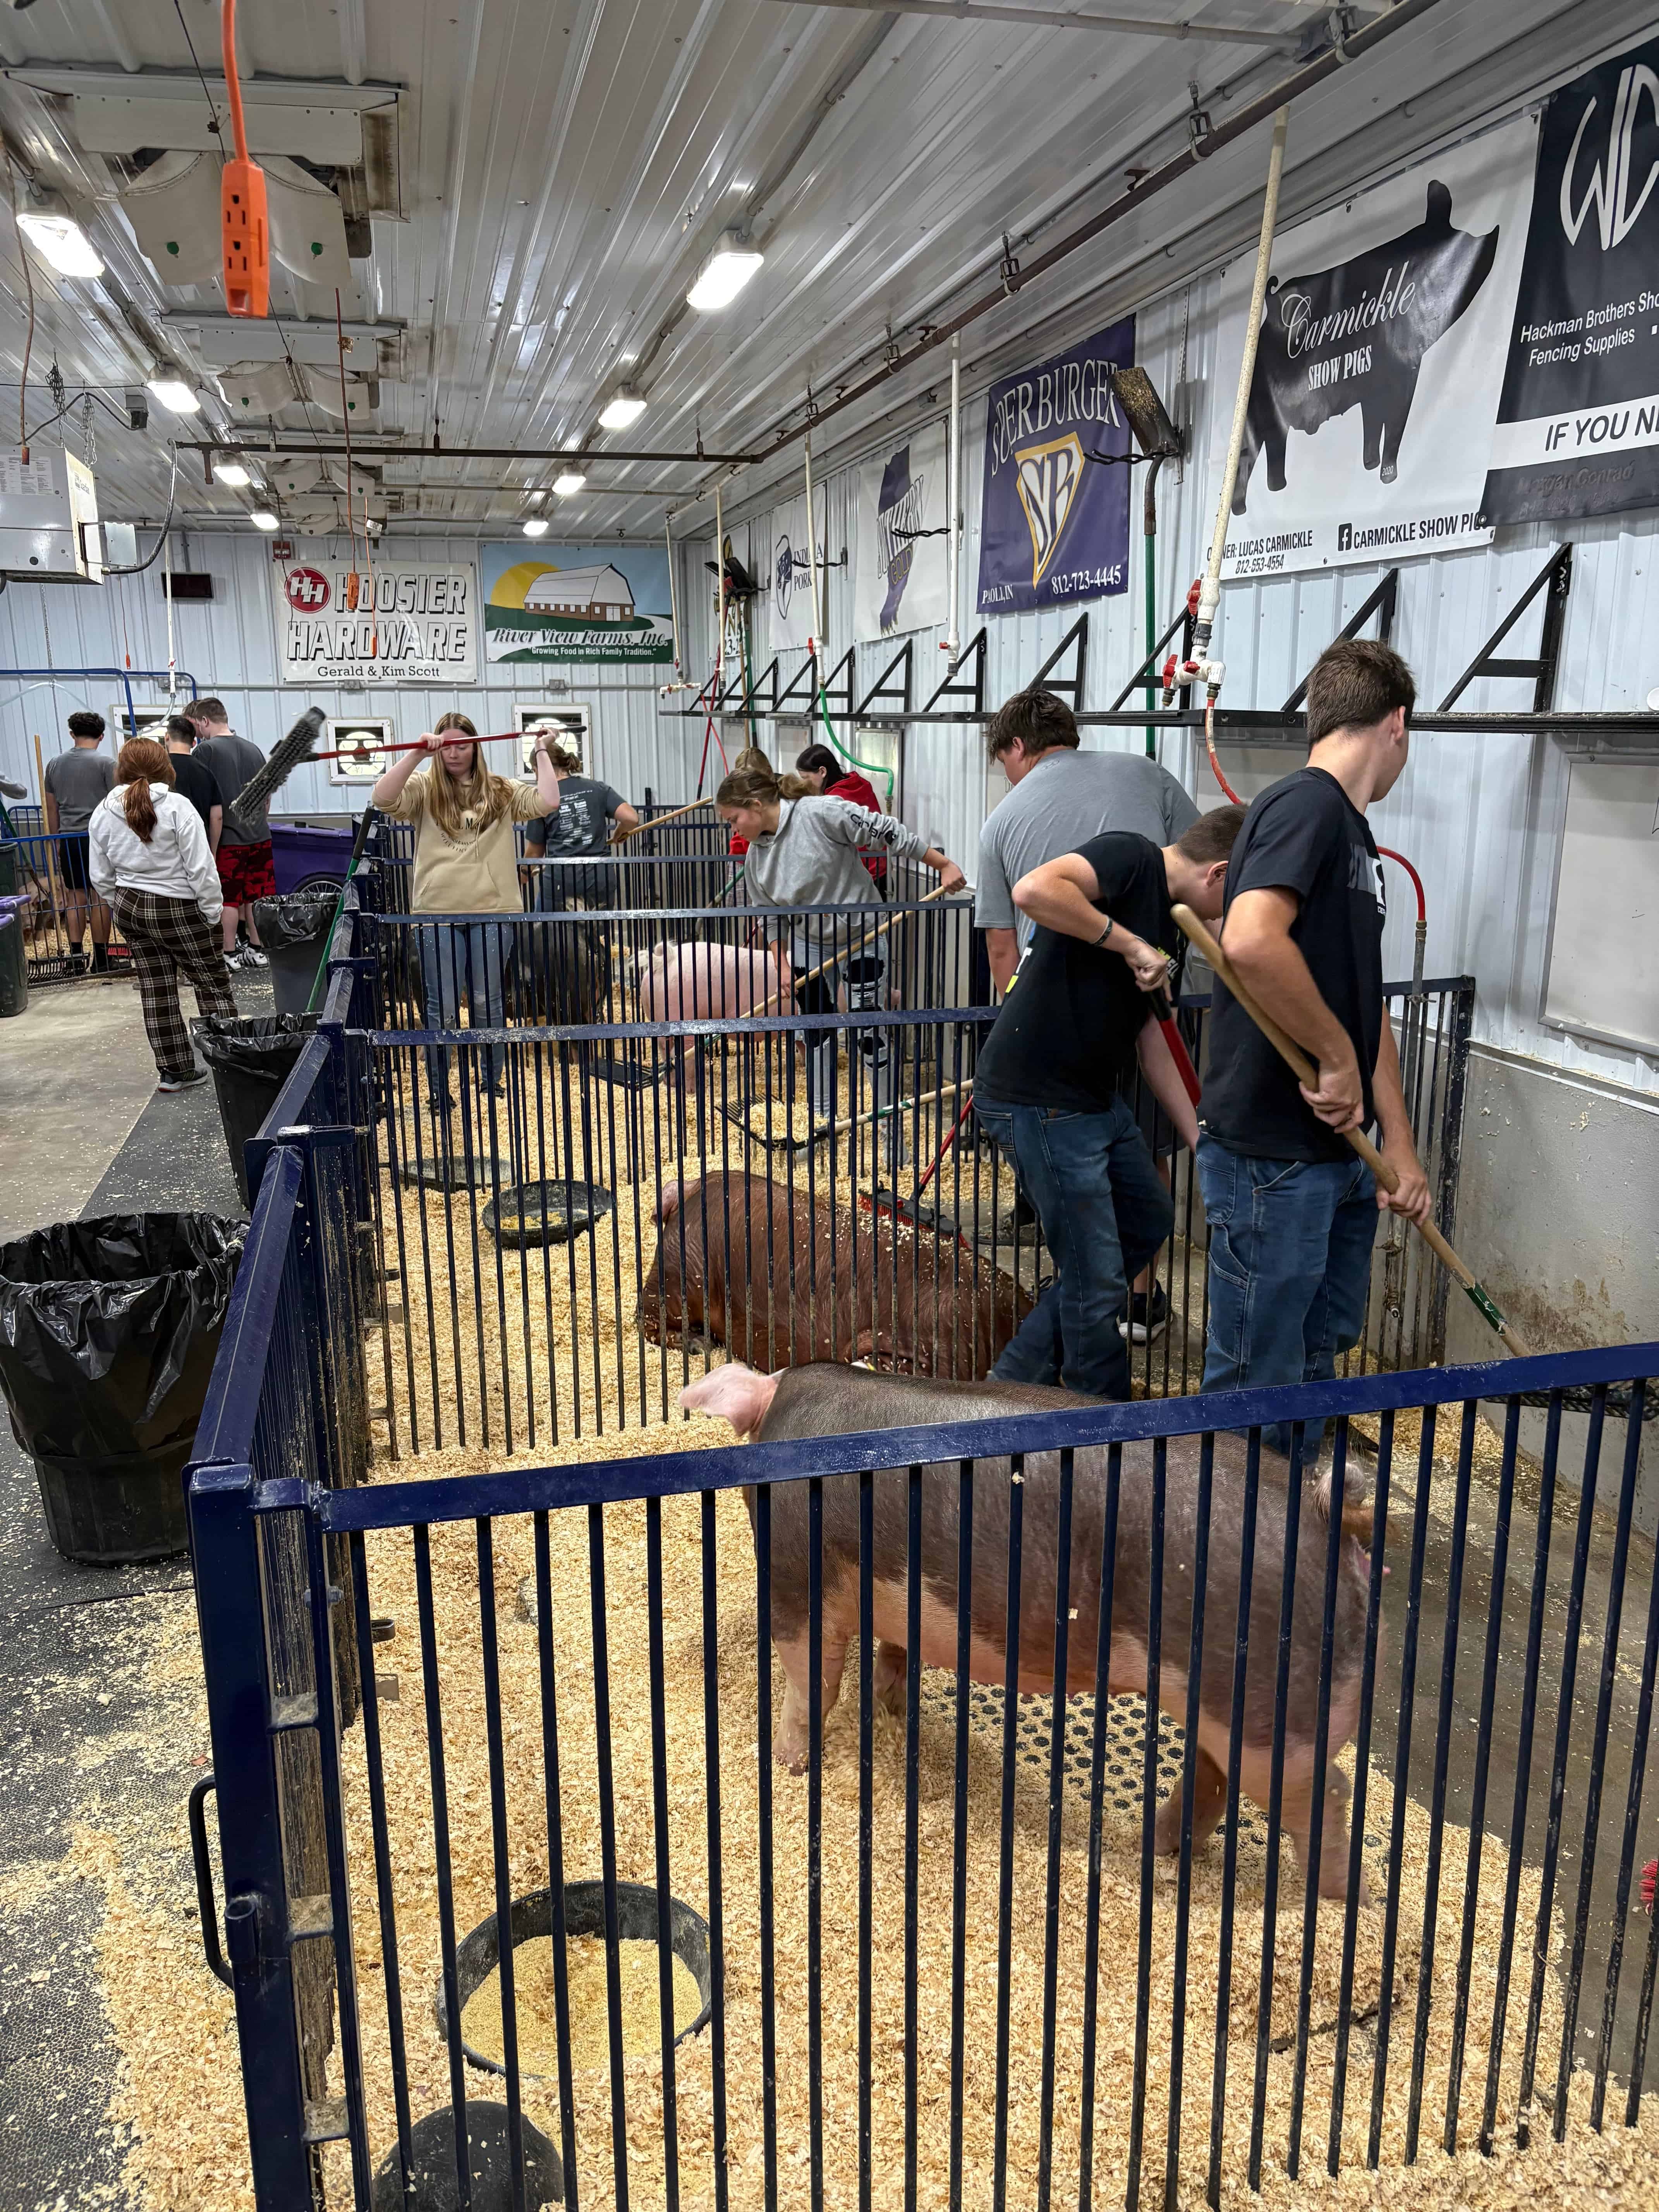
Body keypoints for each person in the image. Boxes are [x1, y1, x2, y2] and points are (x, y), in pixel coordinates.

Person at [1196, 639, 1432, 1458]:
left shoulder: (1356, 839)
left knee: (1320, 1348)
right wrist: (1333, 1058)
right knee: (1258, 1370)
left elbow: (1365, 1013)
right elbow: (1254, 940)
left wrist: (1398, 1143)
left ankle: (1292, 1529)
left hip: (1338, 1155)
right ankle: (1225, 1558)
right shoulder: (1308, 805)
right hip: (1275, 1153)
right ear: (1396, 723)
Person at [972, 807, 1245, 1401]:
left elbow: (1153, 1042)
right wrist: (1128, 943)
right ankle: (1101, 1419)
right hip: (1038, 1096)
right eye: (1236, 896)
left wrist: (1202, 1138)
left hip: (1093, 1098)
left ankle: (1013, 1382)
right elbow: (1034, 889)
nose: (1228, 916)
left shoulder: (1171, 925)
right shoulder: (1132, 855)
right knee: (1096, 1282)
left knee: (1147, 1218)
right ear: (1218, 874)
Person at [977, 686, 1202, 1338]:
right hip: (1149, 992)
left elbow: (999, 943)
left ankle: (1082, 1293)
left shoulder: (1003, 817)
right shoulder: (1144, 773)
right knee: (1144, 1138)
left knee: (1067, 1160)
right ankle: (1136, 1293)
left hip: (1057, 1024)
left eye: (1003, 761)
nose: (1008, 774)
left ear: (1017, 747)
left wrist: (1017, 1027)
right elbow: (1197, 860)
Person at [716, 761, 965, 1125]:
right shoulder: (756, 857)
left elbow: (885, 830)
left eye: (733, 818)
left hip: (860, 936)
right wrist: (781, 963)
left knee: (869, 1035)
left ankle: (887, 1129)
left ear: (755, 804)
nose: (733, 828)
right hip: (808, 944)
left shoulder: (822, 812)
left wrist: (941, 863)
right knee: (817, 1036)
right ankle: (821, 1126)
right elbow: (768, 912)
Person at [371, 711, 560, 1104]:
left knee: (486, 1001)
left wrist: (541, 750)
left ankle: (491, 1082)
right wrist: (415, 755)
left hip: (493, 911)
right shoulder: (424, 788)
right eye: (447, 746)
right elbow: (383, 798)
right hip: (436, 914)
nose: (454, 753)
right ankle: (440, 1092)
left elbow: (547, 800)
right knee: (441, 1006)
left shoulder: (500, 789)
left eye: (462, 745)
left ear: (476, 746)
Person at [87, 737, 237, 1092]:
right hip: (179, 906)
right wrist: (212, 912)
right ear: (164, 768)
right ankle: (234, 1062)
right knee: (211, 982)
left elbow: (100, 875)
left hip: (130, 906)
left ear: (120, 771)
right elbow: (201, 869)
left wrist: (118, 903)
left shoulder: (103, 811)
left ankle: (175, 1072)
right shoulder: (177, 807)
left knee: (156, 991)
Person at [187, 697, 272, 970]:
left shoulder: (206, 752)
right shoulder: (254, 750)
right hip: (260, 836)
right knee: (257, 895)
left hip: (227, 839)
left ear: (204, 721)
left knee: (229, 898)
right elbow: (267, 796)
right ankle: (258, 951)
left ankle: (229, 953)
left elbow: (205, 801)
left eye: (197, 726)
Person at [520, 744, 639, 908]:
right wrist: (620, 831)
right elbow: (632, 818)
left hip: (561, 879)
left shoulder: (543, 798)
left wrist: (524, 874)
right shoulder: (598, 788)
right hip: (598, 876)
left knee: (552, 932)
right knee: (597, 932)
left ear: (539, 768)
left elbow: (534, 853)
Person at [42, 710, 115, 974]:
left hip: (69, 838)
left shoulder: (54, 764)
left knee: (75, 898)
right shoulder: (108, 764)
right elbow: (116, 805)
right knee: (100, 898)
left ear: (72, 734)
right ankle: (102, 960)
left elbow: (51, 808)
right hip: (99, 840)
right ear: (101, 736)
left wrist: (55, 839)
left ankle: (74, 960)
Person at [795, 742, 888, 887]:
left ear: (822, 772)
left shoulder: (833, 802)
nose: (803, 784)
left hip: (856, 879)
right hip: (881, 870)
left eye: (806, 778)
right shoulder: (861, 784)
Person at [163, 714, 223, 843]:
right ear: (194, 742)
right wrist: (212, 852)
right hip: (198, 845)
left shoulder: (156, 770)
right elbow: (217, 817)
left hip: (165, 848)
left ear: (167, 737)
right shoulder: (207, 773)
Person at [725, 745, 774, 859]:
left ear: (768, 773)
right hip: (742, 857)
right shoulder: (738, 798)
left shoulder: (777, 795)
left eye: (755, 779)